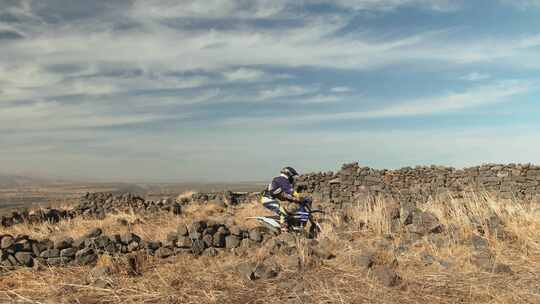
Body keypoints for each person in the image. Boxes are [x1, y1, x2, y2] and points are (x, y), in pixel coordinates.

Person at [261, 166, 302, 232]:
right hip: (267, 199)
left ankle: (288, 226)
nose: (293, 178)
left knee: (287, 212)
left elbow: (284, 195)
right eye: (292, 176)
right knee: (283, 213)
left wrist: (293, 199)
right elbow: (290, 191)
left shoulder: (280, 180)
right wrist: (299, 196)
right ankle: (283, 229)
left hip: (269, 198)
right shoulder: (282, 179)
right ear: (288, 174)